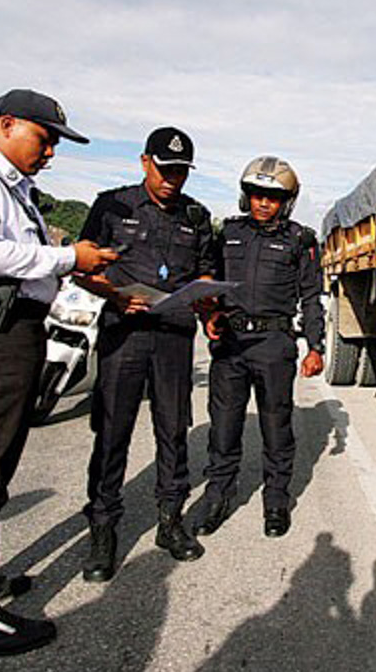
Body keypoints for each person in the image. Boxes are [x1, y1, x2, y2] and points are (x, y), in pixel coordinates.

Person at [0, 89, 118, 660]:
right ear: (6, 124)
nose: (51, 151)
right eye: (45, 138)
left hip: (13, 330)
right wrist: (69, 258)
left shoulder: (13, 189)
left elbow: (27, 264)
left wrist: (82, 274)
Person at [74, 127, 217, 582]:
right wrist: (115, 296)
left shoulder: (197, 216)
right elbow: (81, 268)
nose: (172, 179)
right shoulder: (112, 205)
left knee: (173, 430)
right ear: (144, 162)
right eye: (165, 169)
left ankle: (170, 523)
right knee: (112, 431)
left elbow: (207, 272)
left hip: (174, 335)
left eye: (181, 172)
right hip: (124, 332)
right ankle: (102, 530)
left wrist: (206, 295)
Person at [193, 156, 325, 539]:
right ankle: (217, 497)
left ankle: (277, 502)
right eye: (256, 195)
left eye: (273, 197)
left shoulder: (300, 240)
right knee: (223, 428)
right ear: (245, 196)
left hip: (274, 345)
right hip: (231, 345)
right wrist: (209, 316)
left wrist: (315, 347)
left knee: (276, 427)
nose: (264, 203)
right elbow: (207, 282)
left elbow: (312, 298)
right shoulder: (228, 233)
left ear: (287, 201)